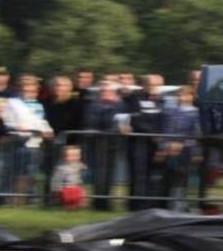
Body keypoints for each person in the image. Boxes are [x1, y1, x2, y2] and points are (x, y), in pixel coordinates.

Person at [4, 75, 54, 205]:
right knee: (18, 173)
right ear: (20, 88)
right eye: (26, 87)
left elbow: (41, 122)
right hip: (18, 142)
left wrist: (48, 130)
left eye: (32, 87)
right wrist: (17, 127)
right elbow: (7, 121)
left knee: (31, 173)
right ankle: (14, 201)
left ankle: (25, 200)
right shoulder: (12, 103)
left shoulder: (38, 105)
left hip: (35, 143)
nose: (30, 90)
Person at [125, 74, 166, 210]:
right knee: (139, 175)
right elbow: (136, 119)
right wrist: (152, 133)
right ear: (143, 85)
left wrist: (161, 136)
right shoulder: (134, 98)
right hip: (139, 142)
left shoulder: (163, 100)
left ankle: (151, 206)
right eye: (150, 84)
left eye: (156, 85)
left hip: (157, 143)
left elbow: (165, 120)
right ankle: (136, 207)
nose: (153, 88)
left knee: (153, 176)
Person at [158, 86, 201, 210]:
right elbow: (165, 131)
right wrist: (165, 147)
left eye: (184, 95)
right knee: (168, 178)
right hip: (169, 151)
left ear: (191, 97)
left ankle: (179, 205)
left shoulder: (196, 113)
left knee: (182, 177)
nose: (180, 97)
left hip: (186, 150)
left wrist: (184, 146)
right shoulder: (170, 112)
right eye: (179, 95)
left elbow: (197, 135)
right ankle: (166, 206)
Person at [85, 81, 125, 210]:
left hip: (113, 143)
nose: (105, 94)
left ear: (114, 93)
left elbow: (118, 123)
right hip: (98, 143)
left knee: (110, 174)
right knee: (99, 174)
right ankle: (98, 203)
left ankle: (107, 202)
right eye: (102, 91)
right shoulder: (94, 106)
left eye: (108, 91)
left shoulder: (119, 105)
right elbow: (92, 122)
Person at [51, 144, 88, 209]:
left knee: (81, 195)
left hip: (76, 187)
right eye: (72, 156)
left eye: (77, 155)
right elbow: (56, 179)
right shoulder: (61, 168)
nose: (75, 158)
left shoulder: (78, 165)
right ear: (65, 157)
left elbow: (83, 167)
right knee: (69, 202)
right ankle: (67, 207)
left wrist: (84, 168)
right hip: (66, 188)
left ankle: (76, 207)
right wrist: (56, 190)